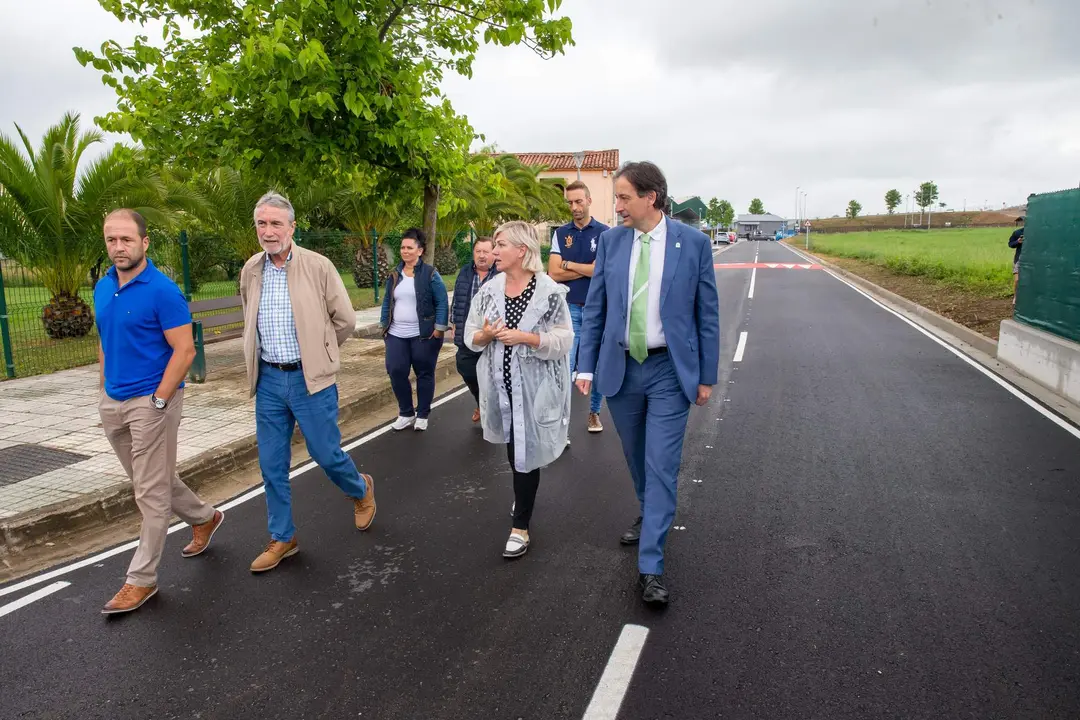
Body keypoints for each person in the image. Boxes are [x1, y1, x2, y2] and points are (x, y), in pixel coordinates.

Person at [576, 161, 720, 606]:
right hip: (621, 367)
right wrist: (585, 366)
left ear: (649, 198)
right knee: (637, 457)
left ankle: (650, 565)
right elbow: (596, 309)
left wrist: (707, 376)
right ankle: (649, 511)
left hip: (668, 371)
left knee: (661, 463)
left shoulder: (692, 244)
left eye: (622, 197)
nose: (615, 205)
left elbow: (706, 314)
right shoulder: (612, 242)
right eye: (616, 197)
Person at [239, 191, 376, 573]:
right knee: (271, 464)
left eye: (276, 223)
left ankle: (360, 489)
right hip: (268, 379)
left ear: (292, 227)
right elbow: (249, 314)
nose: (268, 231)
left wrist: (321, 351)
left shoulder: (318, 266)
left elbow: (345, 320)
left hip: (309, 379)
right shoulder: (251, 269)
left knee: (325, 453)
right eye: (262, 224)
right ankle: (283, 537)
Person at [95, 209, 223, 615]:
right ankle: (204, 517)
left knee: (149, 493)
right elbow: (105, 339)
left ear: (144, 242)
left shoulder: (163, 291)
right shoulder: (102, 287)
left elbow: (185, 351)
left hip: (152, 401)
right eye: (112, 240)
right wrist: (103, 389)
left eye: (126, 240)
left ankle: (141, 580)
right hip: (113, 401)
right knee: (154, 479)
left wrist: (160, 400)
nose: (119, 247)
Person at [465, 221, 573, 558]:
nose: (493, 252)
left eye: (500, 245)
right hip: (501, 389)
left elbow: (564, 340)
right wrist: (485, 335)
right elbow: (472, 334)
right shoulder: (489, 291)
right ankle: (522, 492)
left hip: (536, 390)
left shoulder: (549, 293)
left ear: (521, 250)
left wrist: (526, 337)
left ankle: (520, 527)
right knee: (515, 453)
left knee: (526, 455)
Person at [548, 181, 609, 434]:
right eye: (570, 203)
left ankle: (594, 413)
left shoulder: (605, 233)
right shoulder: (561, 234)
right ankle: (562, 422)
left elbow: (602, 271)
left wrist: (568, 265)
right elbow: (552, 272)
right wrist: (586, 269)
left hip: (598, 309)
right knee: (565, 364)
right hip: (569, 308)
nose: (574, 207)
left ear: (589, 200)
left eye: (578, 201)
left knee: (595, 365)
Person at [379, 228, 450, 431]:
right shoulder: (395, 274)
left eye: (410, 247)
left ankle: (422, 414)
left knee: (424, 373)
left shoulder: (430, 274)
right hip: (396, 334)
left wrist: (439, 329)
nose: (405, 251)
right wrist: (384, 325)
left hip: (424, 335)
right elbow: (387, 301)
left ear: (420, 250)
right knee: (396, 370)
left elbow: (442, 301)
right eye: (402, 247)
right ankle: (406, 412)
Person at [451, 236, 499, 422]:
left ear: (493, 254)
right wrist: (454, 322)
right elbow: (458, 298)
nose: (481, 256)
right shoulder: (465, 272)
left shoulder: (500, 274)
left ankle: (491, 408)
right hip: (468, 333)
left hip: (492, 335)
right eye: (478, 251)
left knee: (494, 377)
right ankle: (482, 402)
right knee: (465, 367)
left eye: (485, 252)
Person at [1009, 217, 1025, 306]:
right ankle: (1015, 297)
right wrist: (1017, 242)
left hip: (1032, 260)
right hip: (1019, 259)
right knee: (1017, 280)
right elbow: (1010, 244)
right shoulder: (1017, 233)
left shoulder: (1036, 233)